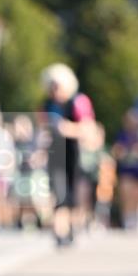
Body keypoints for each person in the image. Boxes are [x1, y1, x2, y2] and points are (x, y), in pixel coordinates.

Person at [39, 63, 96, 246]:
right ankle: (60, 229)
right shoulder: (47, 105)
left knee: (73, 192)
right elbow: (41, 128)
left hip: (74, 152)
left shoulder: (78, 101)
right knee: (58, 191)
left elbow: (88, 128)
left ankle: (70, 226)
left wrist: (66, 129)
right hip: (55, 152)